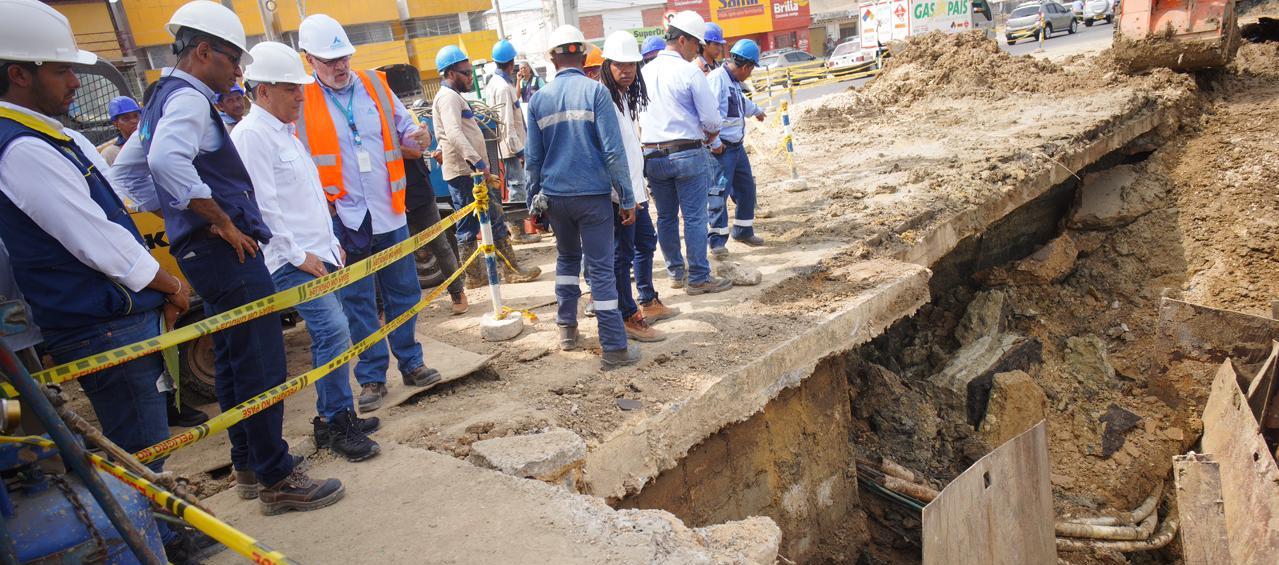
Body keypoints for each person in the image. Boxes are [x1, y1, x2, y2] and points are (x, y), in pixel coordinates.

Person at [0, 0, 218, 558]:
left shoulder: (44, 135)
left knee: (145, 441)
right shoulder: (21, 147)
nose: (75, 81)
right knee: (137, 447)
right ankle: (150, 539)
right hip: (98, 322)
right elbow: (89, 235)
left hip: (113, 314)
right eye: (61, 70)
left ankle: (159, 532)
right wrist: (167, 283)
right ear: (17, 75)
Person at [111, 0, 343, 516]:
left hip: (201, 254)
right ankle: (278, 478)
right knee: (261, 362)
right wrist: (216, 219)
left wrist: (178, 215)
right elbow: (163, 161)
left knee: (236, 361)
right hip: (225, 251)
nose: (238, 71)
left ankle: (247, 463)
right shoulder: (190, 100)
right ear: (202, 52)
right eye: (232, 60)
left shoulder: (159, 98)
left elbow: (128, 175)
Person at [231, 42, 380, 463]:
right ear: (262, 92)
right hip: (289, 260)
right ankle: (335, 422)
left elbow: (309, 197)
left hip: (316, 253)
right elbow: (262, 208)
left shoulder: (284, 133)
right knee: (332, 330)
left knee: (336, 332)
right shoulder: (252, 137)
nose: (301, 95)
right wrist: (298, 255)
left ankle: (335, 414)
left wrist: (330, 245)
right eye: (291, 89)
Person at [294, 14, 446, 412]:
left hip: (389, 211)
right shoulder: (300, 100)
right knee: (358, 300)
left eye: (343, 56)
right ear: (309, 59)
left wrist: (419, 135)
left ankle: (411, 362)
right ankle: (372, 377)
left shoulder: (376, 85)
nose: (340, 65)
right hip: (345, 219)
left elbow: (405, 130)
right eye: (329, 60)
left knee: (405, 291)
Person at [526, 25, 640, 368]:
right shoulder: (596, 93)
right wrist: (628, 197)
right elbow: (613, 152)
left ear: (552, 58)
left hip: (557, 198)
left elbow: (533, 160)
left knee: (566, 261)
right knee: (602, 270)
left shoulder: (538, 99)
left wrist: (535, 201)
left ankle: (567, 330)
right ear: (581, 54)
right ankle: (614, 349)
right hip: (593, 199)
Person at [432, 45, 541, 288]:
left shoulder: (451, 97)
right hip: (467, 173)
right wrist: (479, 163)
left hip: (468, 171)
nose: (471, 77)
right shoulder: (449, 98)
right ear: (450, 73)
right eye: (466, 73)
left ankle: (481, 276)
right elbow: (453, 133)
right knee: (478, 222)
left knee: (489, 218)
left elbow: (446, 135)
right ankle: (488, 274)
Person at [639, 11, 732, 295]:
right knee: (693, 217)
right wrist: (713, 136)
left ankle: (676, 272)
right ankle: (699, 277)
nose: (698, 51)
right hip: (687, 152)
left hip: (652, 154)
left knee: (666, 217)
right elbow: (712, 120)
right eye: (696, 45)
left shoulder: (644, 72)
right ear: (682, 40)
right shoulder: (689, 71)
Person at [598, 31, 673, 342]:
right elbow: (610, 154)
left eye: (632, 65)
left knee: (645, 241)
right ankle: (628, 314)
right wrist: (624, 197)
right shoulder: (603, 99)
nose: (627, 71)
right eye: (620, 65)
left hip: (634, 190)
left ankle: (646, 299)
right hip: (620, 195)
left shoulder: (626, 97)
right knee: (621, 255)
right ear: (608, 65)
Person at [404, 101, 469, 314]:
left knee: (440, 246)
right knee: (399, 258)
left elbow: (418, 147)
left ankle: (457, 292)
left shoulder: (405, 116)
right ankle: (403, 307)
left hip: (419, 194)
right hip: (391, 201)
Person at [705, 39, 767, 257]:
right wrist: (714, 143)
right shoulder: (716, 80)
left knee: (746, 188)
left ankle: (742, 230)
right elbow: (708, 114)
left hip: (737, 148)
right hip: (721, 149)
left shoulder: (732, 82)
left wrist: (757, 110)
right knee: (718, 193)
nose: (749, 75)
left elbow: (740, 102)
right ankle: (717, 242)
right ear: (746, 67)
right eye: (750, 70)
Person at [483, 39, 539, 245]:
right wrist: (519, 151)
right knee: (517, 187)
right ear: (511, 62)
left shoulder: (495, 84)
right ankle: (518, 232)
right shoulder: (503, 87)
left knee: (515, 186)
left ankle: (518, 231)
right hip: (511, 146)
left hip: (506, 145)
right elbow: (507, 121)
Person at [97, 95, 140, 165]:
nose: (134, 121)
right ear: (116, 124)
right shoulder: (111, 153)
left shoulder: (150, 141)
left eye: (136, 116)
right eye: (126, 118)